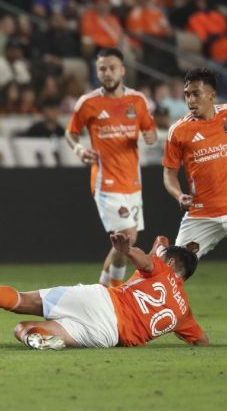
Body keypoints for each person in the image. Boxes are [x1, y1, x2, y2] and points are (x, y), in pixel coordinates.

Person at [0, 234, 208, 350]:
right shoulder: (184, 314)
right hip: (109, 336)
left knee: (22, 302)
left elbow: (148, 259)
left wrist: (128, 251)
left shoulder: (159, 267)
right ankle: (41, 339)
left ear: (169, 262)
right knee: (23, 328)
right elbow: (201, 342)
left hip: (102, 301)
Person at [65, 48, 157, 287]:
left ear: (123, 70)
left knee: (121, 244)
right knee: (128, 237)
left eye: (112, 67)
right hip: (105, 181)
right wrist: (79, 150)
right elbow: (70, 133)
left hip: (133, 182)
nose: (107, 73)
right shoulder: (88, 103)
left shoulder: (137, 100)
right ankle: (110, 294)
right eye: (102, 69)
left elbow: (150, 129)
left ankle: (105, 292)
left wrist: (150, 136)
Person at [163, 68, 227, 259]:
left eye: (196, 94)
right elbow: (169, 174)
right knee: (173, 269)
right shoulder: (178, 131)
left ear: (212, 95)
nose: (190, 100)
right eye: (187, 95)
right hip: (201, 215)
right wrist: (179, 195)